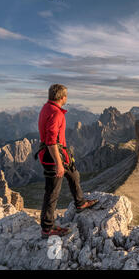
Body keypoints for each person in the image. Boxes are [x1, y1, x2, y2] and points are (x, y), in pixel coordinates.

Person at [36, 84, 98, 238]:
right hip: (53, 156)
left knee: (73, 175)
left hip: (60, 154)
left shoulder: (46, 108)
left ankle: (80, 202)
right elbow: (51, 141)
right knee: (52, 192)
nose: (67, 98)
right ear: (62, 97)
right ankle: (47, 228)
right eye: (66, 96)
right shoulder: (56, 114)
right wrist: (58, 163)